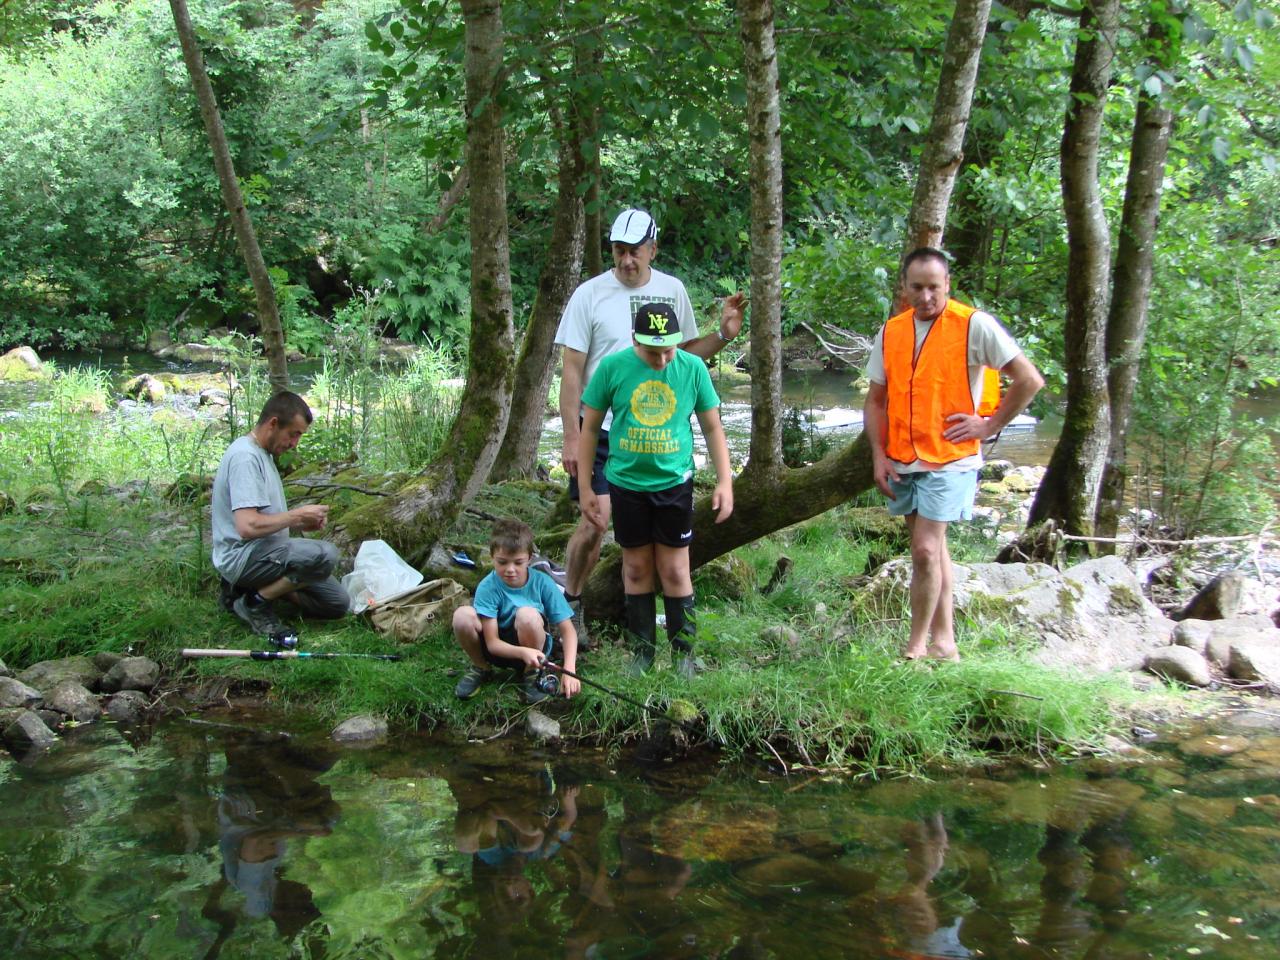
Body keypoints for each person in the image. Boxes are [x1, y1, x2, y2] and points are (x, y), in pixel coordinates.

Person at [554, 207, 746, 643]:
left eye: (634, 252)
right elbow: (572, 369)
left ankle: (648, 627)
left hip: (656, 434)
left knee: (648, 550)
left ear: (652, 249)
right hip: (599, 428)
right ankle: (572, 603)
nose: (626, 261)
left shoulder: (671, 290)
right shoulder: (589, 294)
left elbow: (685, 353)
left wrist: (725, 336)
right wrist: (569, 434)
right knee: (593, 521)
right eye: (619, 252)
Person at [863, 248, 1044, 662]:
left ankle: (915, 647)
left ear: (947, 285)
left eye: (933, 287)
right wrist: (879, 455)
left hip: (952, 458)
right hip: (904, 458)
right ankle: (945, 643)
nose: (925, 296)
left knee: (925, 550)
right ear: (904, 288)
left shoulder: (974, 326)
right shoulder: (892, 332)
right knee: (935, 550)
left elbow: (1029, 380)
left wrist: (989, 425)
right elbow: (875, 401)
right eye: (916, 287)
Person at [578, 302, 734, 675]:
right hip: (626, 484)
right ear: (634, 339)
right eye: (653, 351)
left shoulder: (692, 368)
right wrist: (586, 486)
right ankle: (642, 654)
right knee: (635, 568)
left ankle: (684, 657)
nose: (663, 359)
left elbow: (712, 428)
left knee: (676, 570)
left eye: (669, 349)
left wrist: (725, 481)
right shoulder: (613, 368)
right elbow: (589, 428)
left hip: (673, 484)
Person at [211, 391, 348, 644]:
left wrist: (301, 521)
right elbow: (247, 526)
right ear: (273, 423)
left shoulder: (262, 453)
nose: (295, 443)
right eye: (293, 434)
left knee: (337, 603)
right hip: (242, 557)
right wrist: (296, 517)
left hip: (267, 554)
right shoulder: (245, 458)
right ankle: (254, 603)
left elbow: (267, 518)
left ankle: (254, 591)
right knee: (325, 555)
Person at [451, 518, 580, 703]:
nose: (510, 569)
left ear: (529, 558)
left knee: (527, 614)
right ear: (492, 557)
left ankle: (531, 673)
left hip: (534, 651)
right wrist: (521, 652)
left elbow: (568, 630)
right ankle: (481, 668)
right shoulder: (487, 587)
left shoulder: (543, 583)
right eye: (502, 562)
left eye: (518, 562)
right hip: (498, 650)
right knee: (462, 616)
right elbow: (493, 643)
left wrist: (569, 670)